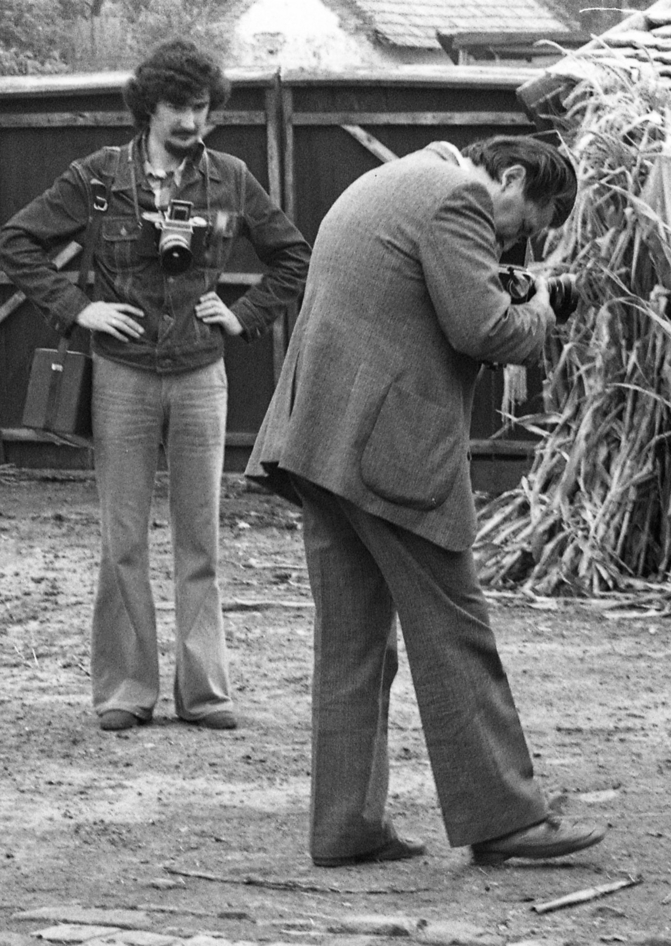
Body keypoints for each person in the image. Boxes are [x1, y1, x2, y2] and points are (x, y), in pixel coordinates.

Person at [246, 135, 607, 866]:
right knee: (454, 630)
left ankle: (346, 825)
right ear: (509, 175)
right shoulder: (459, 198)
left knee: (351, 645)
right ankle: (505, 820)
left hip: (319, 441)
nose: (522, 241)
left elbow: (421, 296)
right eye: (529, 223)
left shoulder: (398, 178)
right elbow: (486, 329)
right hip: (388, 456)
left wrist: (509, 283)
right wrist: (544, 307)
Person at [0, 40, 310, 732]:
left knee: (202, 537)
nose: (192, 122)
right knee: (123, 538)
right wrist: (80, 308)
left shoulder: (230, 178)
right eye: (179, 107)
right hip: (123, 375)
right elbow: (17, 242)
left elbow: (293, 257)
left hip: (201, 374)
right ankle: (125, 691)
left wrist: (243, 315)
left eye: (202, 108)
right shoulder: (98, 177)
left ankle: (204, 692)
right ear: (149, 106)